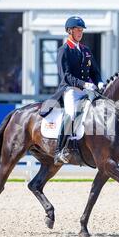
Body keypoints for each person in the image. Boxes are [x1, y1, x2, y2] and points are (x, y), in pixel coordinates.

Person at [40, 16, 103, 164]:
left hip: (86, 90)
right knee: (71, 114)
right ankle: (59, 150)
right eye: (77, 30)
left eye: (81, 30)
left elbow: (94, 71)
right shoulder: (64, 50)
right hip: (70, 90)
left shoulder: (85, 50)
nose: (80, 32)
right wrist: (85, 84)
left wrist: (99, 82)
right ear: (70, 31)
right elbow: (66, 76)